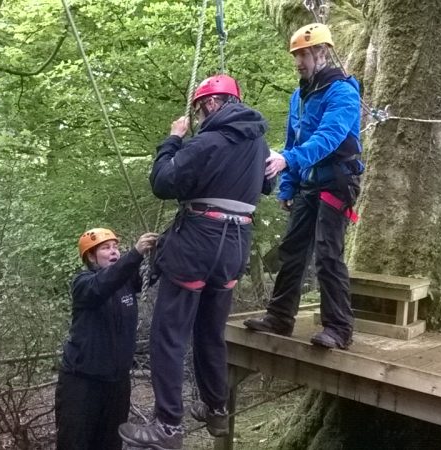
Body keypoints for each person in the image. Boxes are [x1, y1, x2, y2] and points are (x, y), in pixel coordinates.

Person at [118, 74, 273, 450]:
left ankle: (168, 427)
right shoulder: (259, 144)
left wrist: (172, 140)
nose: (202, 115)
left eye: (203, 108)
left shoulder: (207, 141)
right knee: (209, 331)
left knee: (168, 335)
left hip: (198, 243)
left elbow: (163, 183)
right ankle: (216, 407)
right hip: (235, 245)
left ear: (213, 105)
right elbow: (266, 184)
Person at [244, 23, 364, 350]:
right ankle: (279, 317)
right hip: (308, 182)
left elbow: (329, 138)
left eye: (304, 54)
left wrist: (288, 161)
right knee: (292, 250)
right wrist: (287, 187)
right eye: (296, 55)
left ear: (322, 53)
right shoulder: (300, 94)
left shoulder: (342, 92)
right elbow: (293, 140)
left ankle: (338, 329)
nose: (298, 61)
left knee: (327, 253)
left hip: (338, 180)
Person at [54, 228, 158, 450]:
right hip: (82, 383)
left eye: (115, 247)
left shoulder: (127, 281)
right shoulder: (83, 283)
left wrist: (159, 248)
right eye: (105, 248)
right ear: (91, 256)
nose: (114, 252)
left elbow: (153, 272)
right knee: (75, 443)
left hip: (117, 383)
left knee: (111, 443)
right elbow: (104, 284)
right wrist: (135, 253)